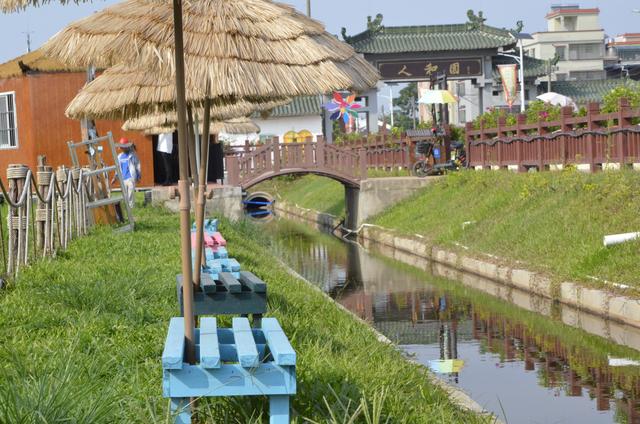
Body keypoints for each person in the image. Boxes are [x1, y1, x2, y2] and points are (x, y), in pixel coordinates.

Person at [112, 137, 141, 209]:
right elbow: (117, 168)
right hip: (123, 178)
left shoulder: (132, 155)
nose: (122, 148)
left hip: (131, 177)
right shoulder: (119, 157)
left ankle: (131, 207)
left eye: (123, 147)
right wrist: (115, 178)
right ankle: (127, 207)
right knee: (125, 194)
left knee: (130, 193)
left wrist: (138, 176)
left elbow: (137, 165)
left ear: (127, 147)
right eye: (121, 147)